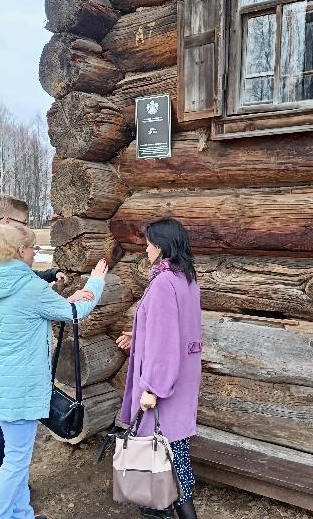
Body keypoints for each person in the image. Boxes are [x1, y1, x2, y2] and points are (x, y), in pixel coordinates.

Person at [0, 224, 107, 519]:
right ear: (19, 252)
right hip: (22, 387)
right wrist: (95, 283)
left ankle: (21, 514)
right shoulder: (31, 288)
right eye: (33, 247)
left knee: (13, 455)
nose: (35, 252)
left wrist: (55, 305)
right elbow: (76, 314)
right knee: (17, 459)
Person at [0, 194, 66, 517]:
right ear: (7, 224)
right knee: (6, 445)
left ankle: (16, 509)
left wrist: (46, 279)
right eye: (23, 224)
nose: (28, 231)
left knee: (9, 444)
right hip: (5, 371)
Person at [116, 218, 202, 519]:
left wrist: (153, 388)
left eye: (150, 242)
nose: (146, 247)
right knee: (173, 453)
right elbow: (176, 329)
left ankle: (168, 511)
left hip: (165, 381)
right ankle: (160, 509)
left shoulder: (164, 283)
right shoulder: (185, 276)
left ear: (163, 246)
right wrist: (137, 335)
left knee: (168, 457)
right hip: (183, 375)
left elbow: (166, 342)